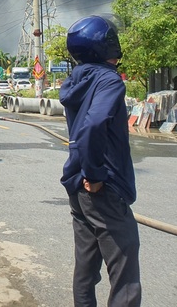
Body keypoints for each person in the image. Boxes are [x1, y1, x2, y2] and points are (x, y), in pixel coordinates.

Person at [59, 16, 141, 307]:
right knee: (125, 274)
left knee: (86, 266)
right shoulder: (108, 79)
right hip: (102, 186)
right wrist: (95, 175)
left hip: (76, 184)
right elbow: (94, 125)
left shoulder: (78, 78)